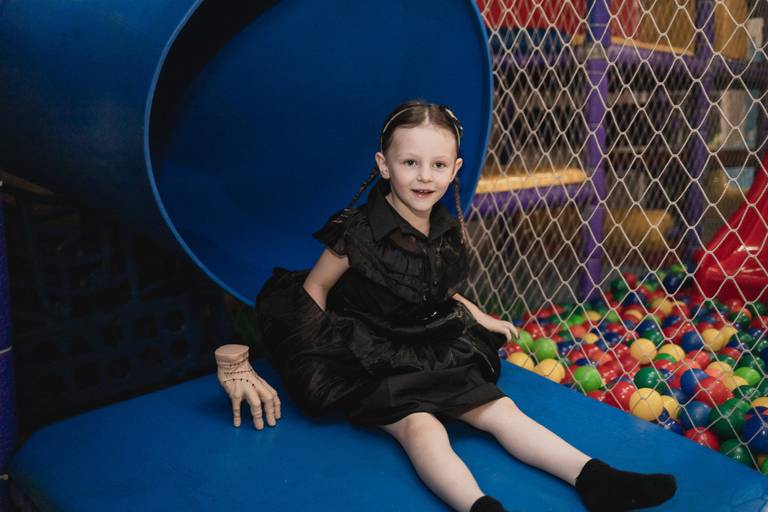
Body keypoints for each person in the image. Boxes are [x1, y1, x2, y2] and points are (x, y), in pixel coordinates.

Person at [216, 100, 677, 512]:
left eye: (438, 165)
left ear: (455, 169)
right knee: (422, 428)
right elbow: (314, 287)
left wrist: (481, 315)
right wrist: (318, 358)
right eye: (410, 163)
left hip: (429, 343)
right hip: (373, 355)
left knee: (502, 412)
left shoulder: (444, 227)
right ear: (384, 165)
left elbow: (434, 290)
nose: (424, 176)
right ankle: (477, 506)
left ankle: (595, 479)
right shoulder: (355, 232)